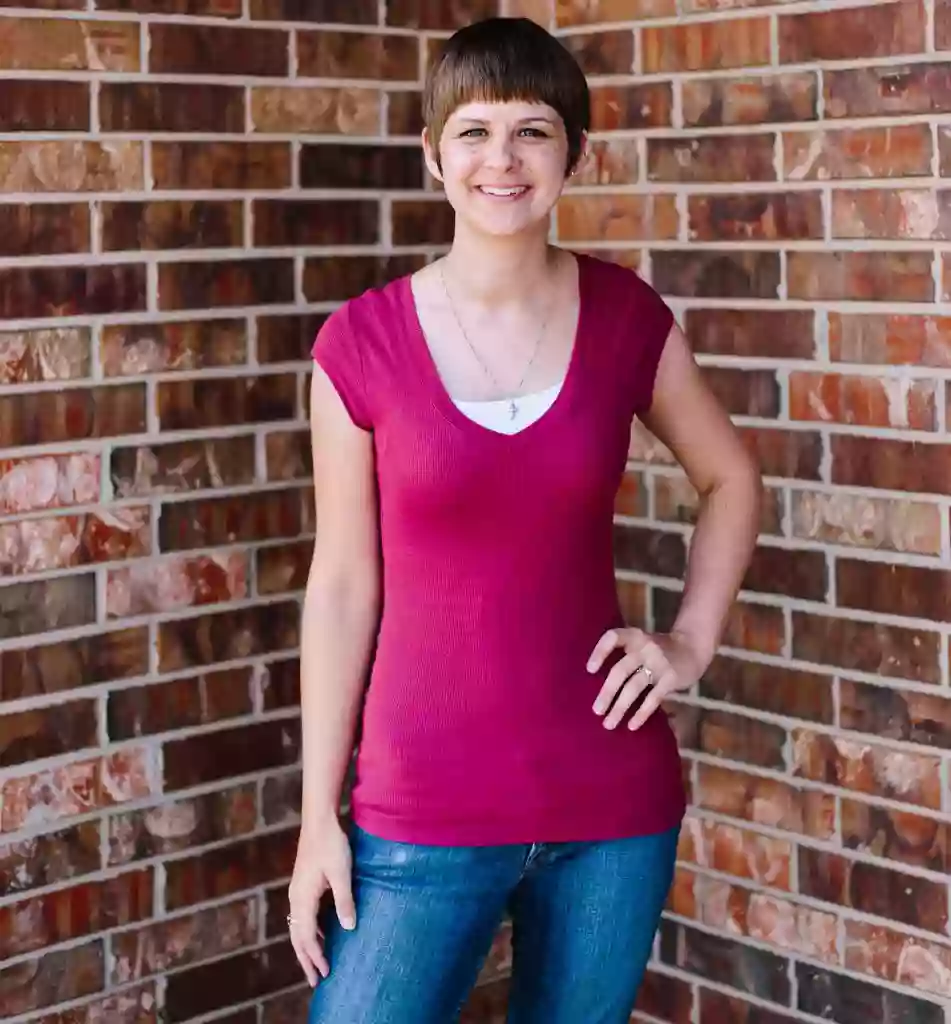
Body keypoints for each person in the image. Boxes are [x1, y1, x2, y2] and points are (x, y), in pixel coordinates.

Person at [287, 15, 762, 1024]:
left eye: (532, 132)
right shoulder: (359, 346)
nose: (501, 159)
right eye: (474, 131)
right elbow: (341, 586)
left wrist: (689, 642)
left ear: (574, 156)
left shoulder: (627, 319)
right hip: (419, 815)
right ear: (434, 155)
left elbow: (730, 477)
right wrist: (316, 815)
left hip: (610, 810)